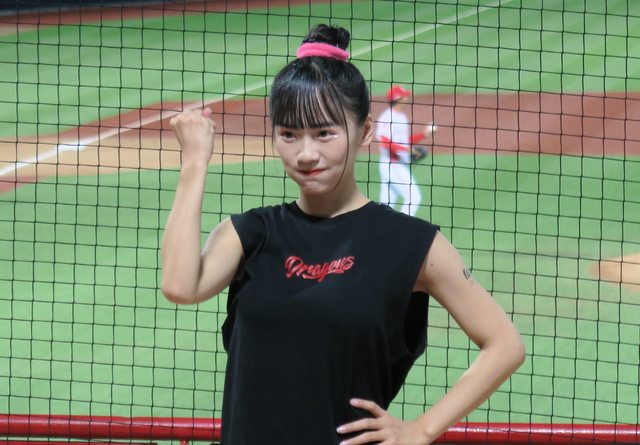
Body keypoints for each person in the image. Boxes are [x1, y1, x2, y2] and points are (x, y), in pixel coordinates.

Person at [162, 23, 525, 445]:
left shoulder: (411, 244)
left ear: (365, 131)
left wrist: (421, 429)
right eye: (289, 134)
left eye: (325, 133)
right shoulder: (250, 234)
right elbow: (180, 285)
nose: (306, 154)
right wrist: (195, 163)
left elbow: (504, 345)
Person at [376, 85, 436, 216]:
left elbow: (402, 141)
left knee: (385, 206)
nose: (407, 98)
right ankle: (403, 227)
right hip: (392, 165)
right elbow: (384, 141)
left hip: (395, 164)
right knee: (414, 198)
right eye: (404, 96)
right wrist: (406, 150)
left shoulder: (401, 116)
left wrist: (423, 135)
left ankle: (375, 228)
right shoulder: (388, 117)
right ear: (398, 99)